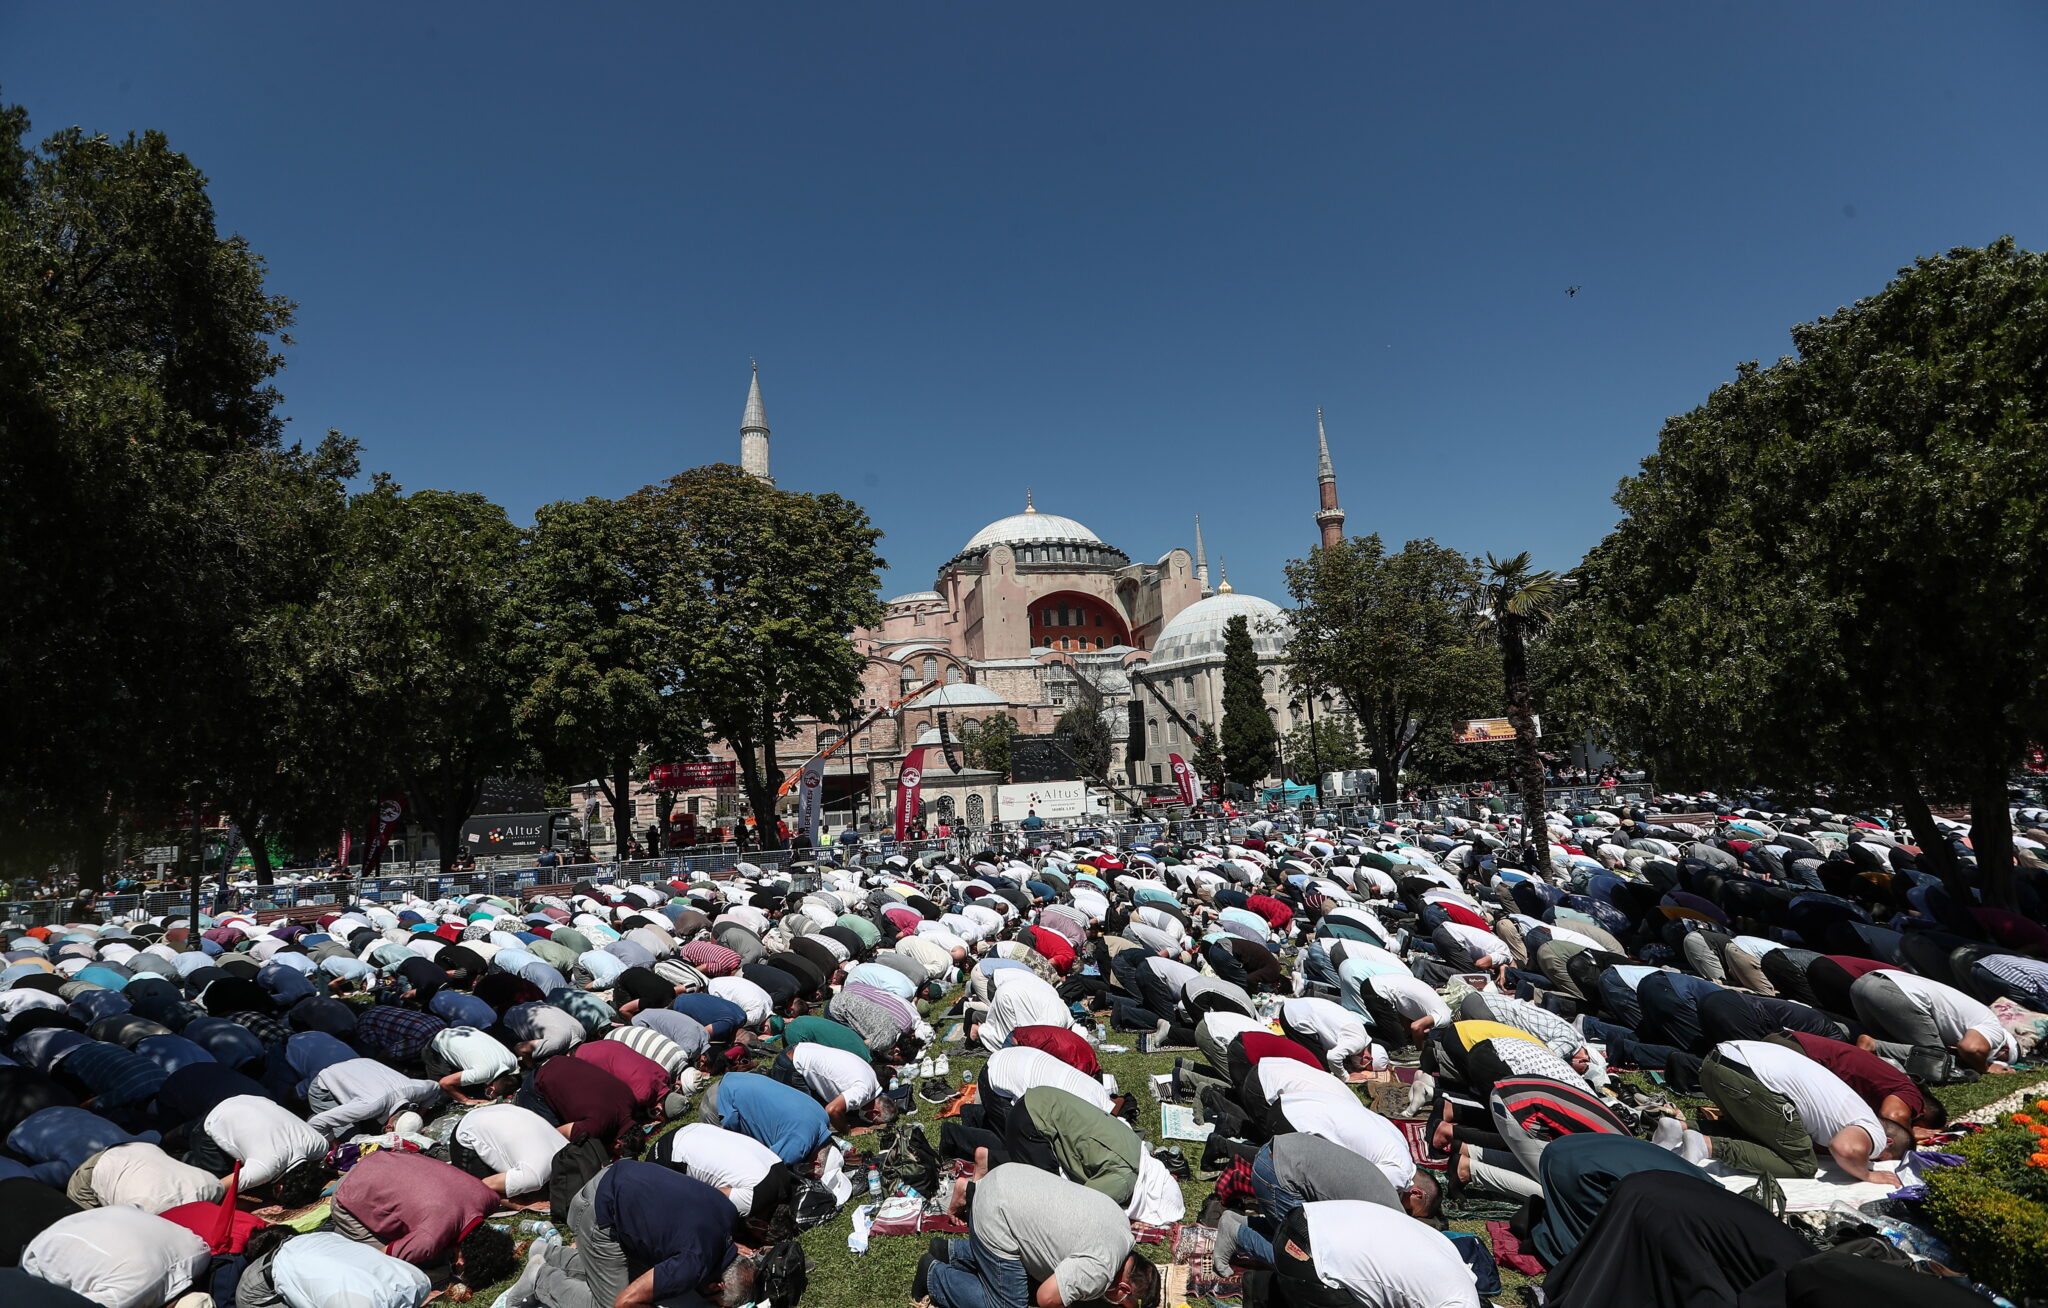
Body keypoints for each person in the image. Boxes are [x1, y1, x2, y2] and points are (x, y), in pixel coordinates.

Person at [506, 1161, 754, 1308]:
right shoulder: (693, 1264)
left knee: (640, 1278)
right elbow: (624, 1302)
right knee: (607, 1303)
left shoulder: (729, 1217)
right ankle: (540, 1278)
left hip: (616, 1180)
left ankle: (548, 1252)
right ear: (717, 1285)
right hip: (598, 1212)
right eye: (715, 1302)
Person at [917, 1163, 1159, 1308]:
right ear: (1124, 1288)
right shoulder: (1100, 1270)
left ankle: (950, 1252)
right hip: (996, 1212)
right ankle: (933, 1275)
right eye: (1123, 1305)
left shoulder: (1122, 1228)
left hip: (1009, 1177)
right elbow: (1046, 1298)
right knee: (1009, 1304)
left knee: (1032, 1266)